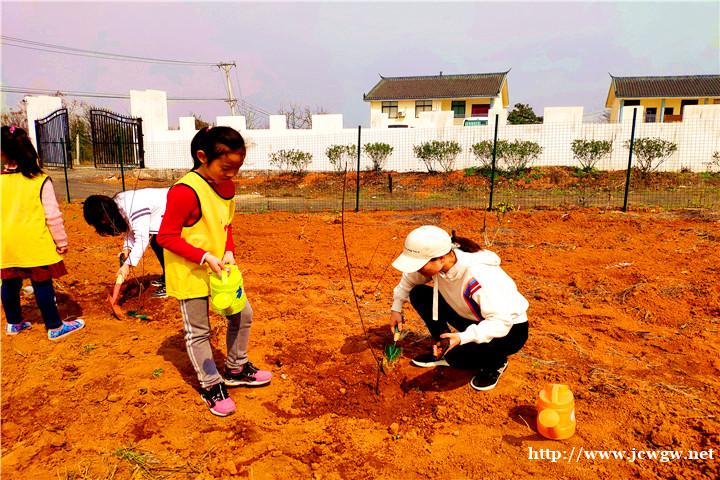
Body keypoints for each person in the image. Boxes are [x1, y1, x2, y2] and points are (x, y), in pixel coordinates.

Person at [157, 126, 271, 417]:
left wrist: (228, 250)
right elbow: (166, 237)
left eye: (237, 168)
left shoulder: (226, 187)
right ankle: (211, 385)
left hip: (220, 270)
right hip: (191, 272)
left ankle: (236, 368)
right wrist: (204, 256)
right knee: (199, 331)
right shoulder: (185, 192)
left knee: (242, 314)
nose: (232, 174)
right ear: (202, 157)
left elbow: (225, 224)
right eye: (226, 167)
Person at [389, 225, 529, 391]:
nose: (417, 269)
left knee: (460, 359)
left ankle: (496, 362)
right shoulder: (440, 262)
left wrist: (462, 337)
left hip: (508, 330)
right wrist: (396, 309)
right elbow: (409, 280)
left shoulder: (479, 274)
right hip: (472, 317)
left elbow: (500, 322)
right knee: (419, 293)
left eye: (419, 265)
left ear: (441, 258)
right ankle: (442, 347)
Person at [0, 126, 85, 340]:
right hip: (34, 242)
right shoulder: (40, 180)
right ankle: (55, 326)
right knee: (42, 283)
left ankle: (13, 323)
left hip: (6, 244)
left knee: (9, 283)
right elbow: (52, 215)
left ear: (3, 154)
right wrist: (61, 242)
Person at [83, 188, 169, 297]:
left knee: (162, 242)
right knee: (156, 242)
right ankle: (168, 276)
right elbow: (131, 229)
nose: (104, 223)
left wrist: (127, 265)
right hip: (163, 212)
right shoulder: (119, 206)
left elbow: (142, 238)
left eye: (101, 220)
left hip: (175, 206)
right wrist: (127, 249)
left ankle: (171, 283)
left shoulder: (133, 206)